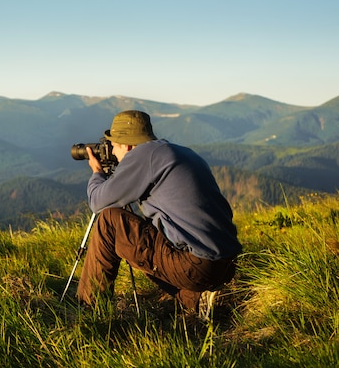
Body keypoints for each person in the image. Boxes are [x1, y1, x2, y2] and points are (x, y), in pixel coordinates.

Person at [76, 110, 242, 315]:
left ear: (127, 145)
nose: (114, 153)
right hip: (226, 265)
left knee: (110, 221)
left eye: (114, 147)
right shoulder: (179, 152)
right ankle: (197, 299)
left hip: (196, 266)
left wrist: (97, 173)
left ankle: (89, 311)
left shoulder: (143, 156)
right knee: (151, 238)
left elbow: (97, 202)